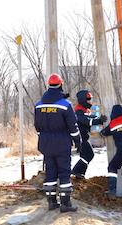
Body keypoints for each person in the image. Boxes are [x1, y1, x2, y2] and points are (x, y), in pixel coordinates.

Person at [34, 73, 81, 213]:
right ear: (60, 84)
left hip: (45, 144)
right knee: (64, 172)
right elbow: (73, 127)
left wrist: (44, 138)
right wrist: (78, 142)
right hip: (62, 144)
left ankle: (52, 202)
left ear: (48, 85)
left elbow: (37, 126)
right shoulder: (66, 104)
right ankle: (65, 204)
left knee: (50, 172)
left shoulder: (38, 105)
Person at [71, 90, 107, 179]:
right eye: (88, 99)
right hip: (80, 137)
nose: (90, 101)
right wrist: (98, 120)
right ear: (83, 99)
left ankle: (79, 174)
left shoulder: (85, 109)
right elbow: (85, 120)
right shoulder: (78, 110)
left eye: (90, 99)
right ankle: (76, 171)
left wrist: (100, 118)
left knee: (87, 155)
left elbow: (91, 117)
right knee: (89, 154)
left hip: (84, 136)